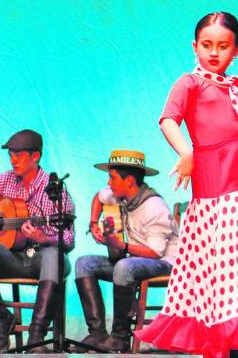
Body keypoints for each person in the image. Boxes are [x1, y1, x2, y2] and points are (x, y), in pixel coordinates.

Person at [136, 12, 238, 357]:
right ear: (195, 46)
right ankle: (225, 339)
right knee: (221, 268)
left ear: (236, 51)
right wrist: (187, 152)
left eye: (223, 46)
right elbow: (168, 119)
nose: (214, 52)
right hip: (216, 192)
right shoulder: (190, 82)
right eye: (207, 45)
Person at [0, 129, 75, 352]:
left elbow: (68, 240)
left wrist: (44, 237)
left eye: (18, 155)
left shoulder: (54, 189)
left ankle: (36, 334)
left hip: (41, 260)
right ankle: (1, 317)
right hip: (11, 258)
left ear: (35, 157)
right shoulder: (6, 180)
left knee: (54, 254)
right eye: (10, 154)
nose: (13, 160)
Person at [74, 150, 178, 352]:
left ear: (129, 180)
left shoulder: (154, 207)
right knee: (84, 264)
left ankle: (120, 337)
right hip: (136, 259)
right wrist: (94, 222)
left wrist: (119, 245)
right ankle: (97, 335)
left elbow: (156, 253)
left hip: (166, 262)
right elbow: (98, 197)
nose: (109, 183)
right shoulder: (119, 195)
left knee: (124, 266)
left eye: (112, 177)